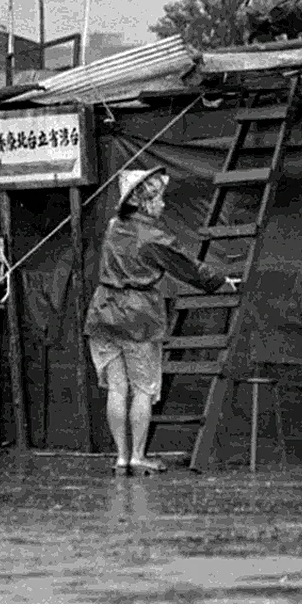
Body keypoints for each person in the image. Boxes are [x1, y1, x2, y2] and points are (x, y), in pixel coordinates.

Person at [84, 167, 238, 476]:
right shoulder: (153, 237)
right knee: (143, 388)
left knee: (117, 389)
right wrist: (220, 280)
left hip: (103, 309)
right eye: (158, 199)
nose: (163, 205)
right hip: (137, 314)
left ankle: (121, 457)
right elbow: (187, 267)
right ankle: (138, 456)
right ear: (143, 202)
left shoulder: (115, 226)